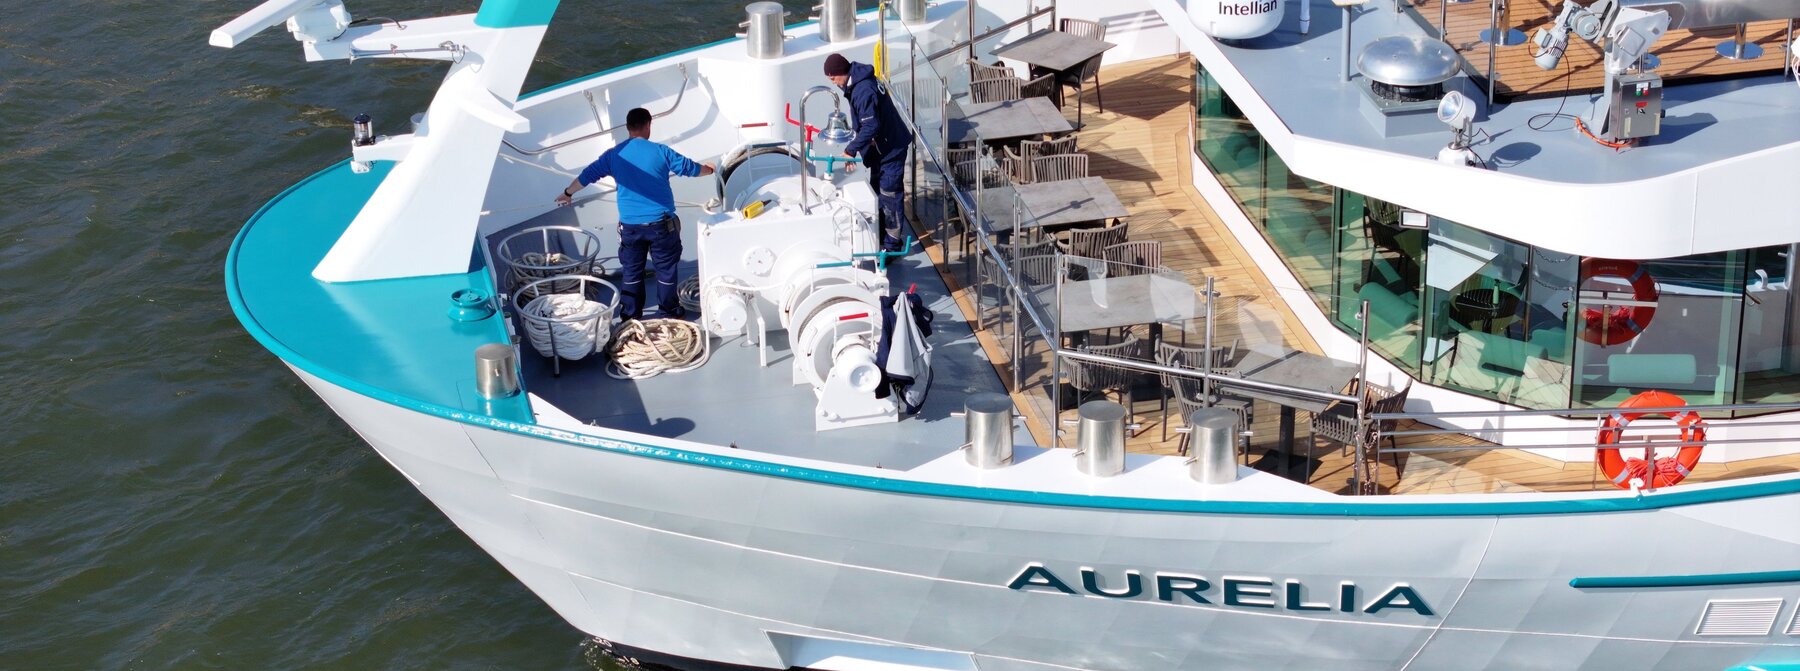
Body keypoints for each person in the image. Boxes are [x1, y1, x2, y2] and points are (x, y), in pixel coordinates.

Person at [556, 107, 715, 321]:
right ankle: (668, 312)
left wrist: (567, 193)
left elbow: (587, 176)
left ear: (628, 128)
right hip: (662, 226)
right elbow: (691, 169)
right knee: (665, 271)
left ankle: (630, 317)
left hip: (630, 228)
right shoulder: (661, 151)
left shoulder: (613, 155)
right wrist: (710, 169)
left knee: (631, 272)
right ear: (648, 125)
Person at [824, 53, 913, 252]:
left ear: (840, 73)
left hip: (891, 149)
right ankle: (879, 233)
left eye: (833, 78)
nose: (833, 83)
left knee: (889, 194)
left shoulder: (862, 89)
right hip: (880, 149)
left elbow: (871, 124)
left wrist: (851, 150)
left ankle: (892, 245)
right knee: (877, 193)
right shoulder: (857, 81)